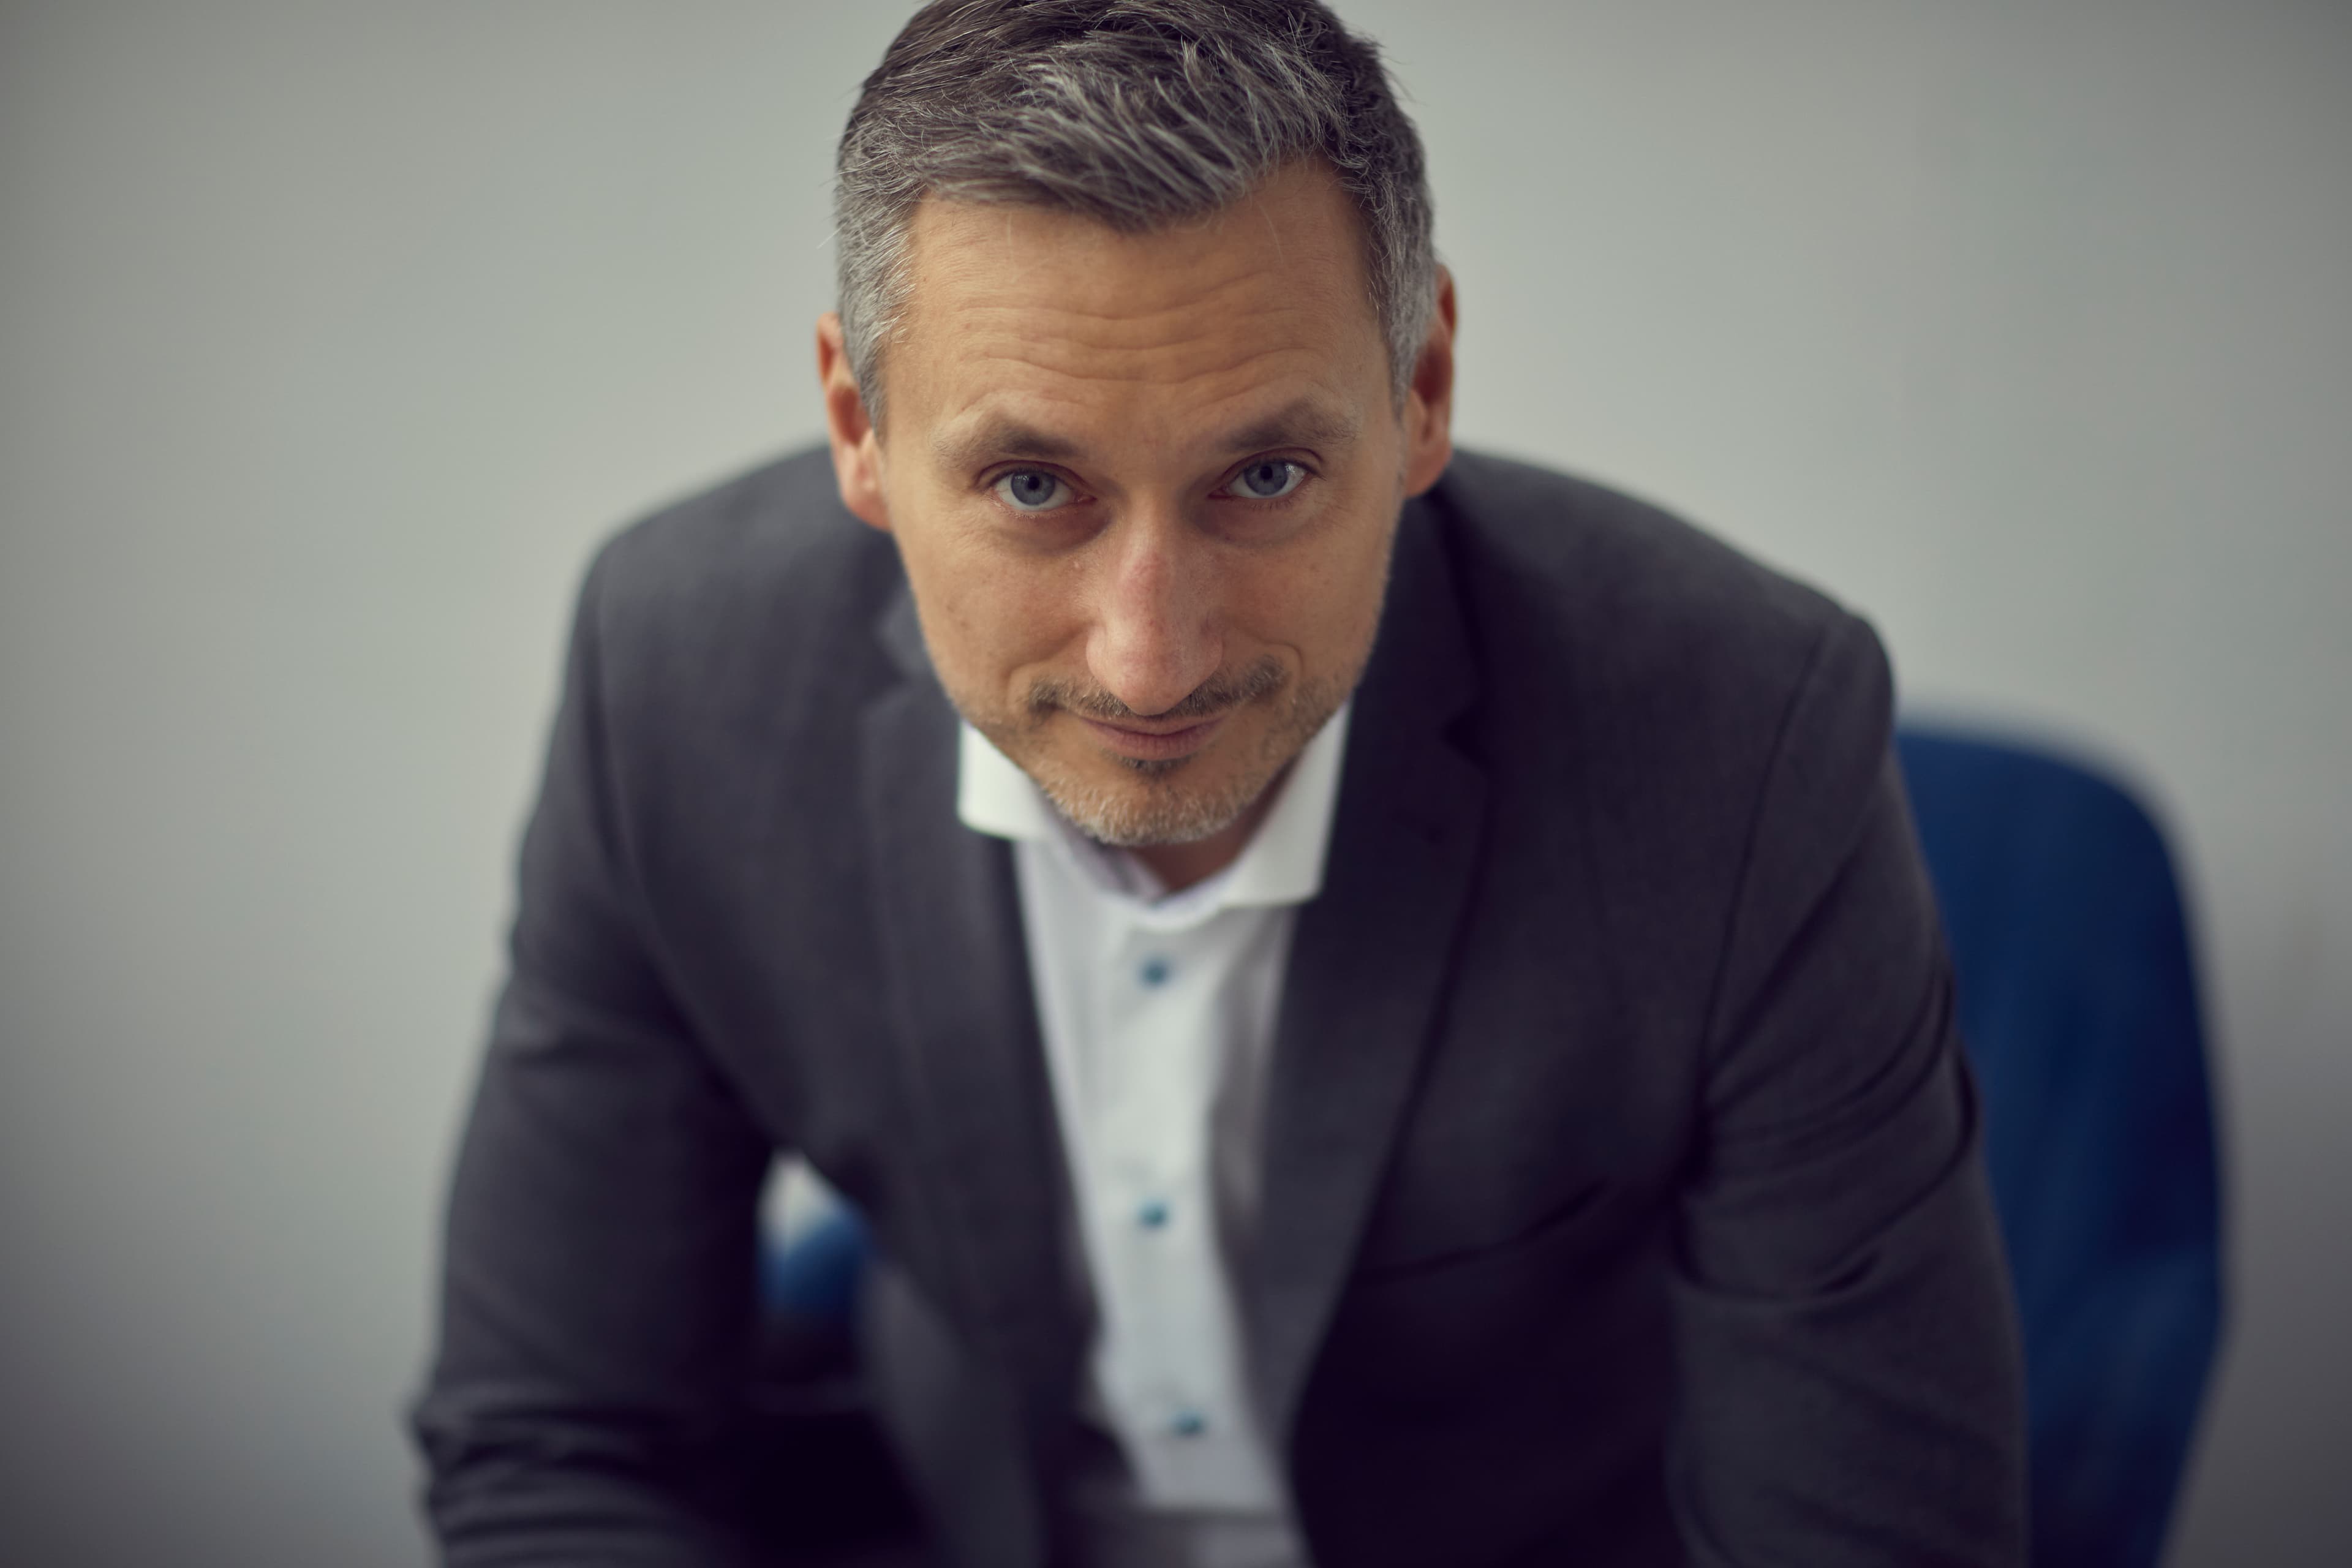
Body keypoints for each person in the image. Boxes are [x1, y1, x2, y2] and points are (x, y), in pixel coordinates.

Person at [412, 2, 2027, 1564]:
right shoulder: (678, 680)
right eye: (1032, 484)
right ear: (858, 426)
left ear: (1423, 389)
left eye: (1264, 475)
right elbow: (561, 1446)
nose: (1150, 660)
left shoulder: (1747, 738)